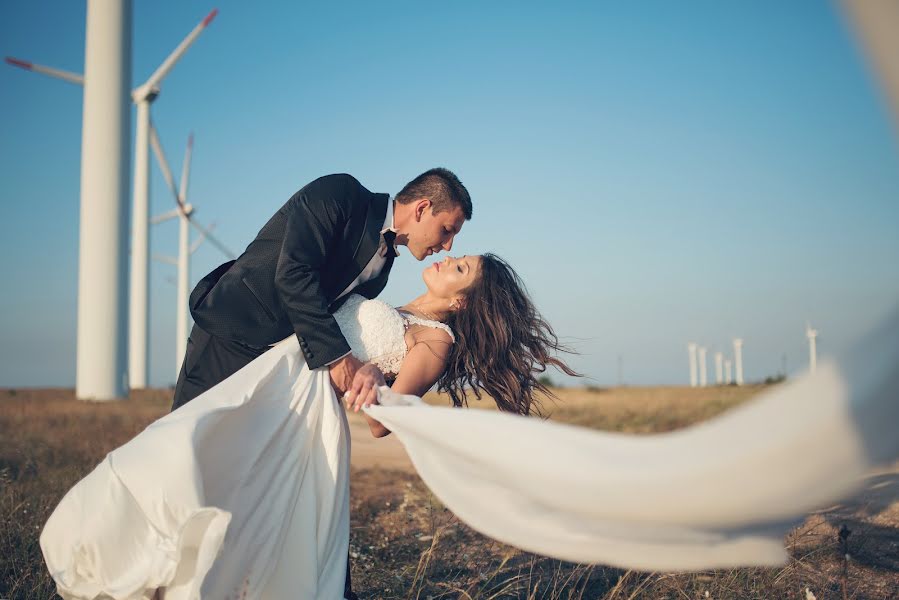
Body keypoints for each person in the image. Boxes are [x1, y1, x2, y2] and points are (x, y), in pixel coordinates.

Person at [40, 253, 577, 599]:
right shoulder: (401, 305)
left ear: (461, 300)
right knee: (186, 459)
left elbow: (383, 422)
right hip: (276, 376)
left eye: (460, 267)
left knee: (220, 485)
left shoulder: (437, 340)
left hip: (301, 406)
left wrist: (366, 381)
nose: (448, 258)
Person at [172, 168, 472, 413]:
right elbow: (293, 273)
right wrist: (338, 358)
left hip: (283, 375)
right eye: (447, 230)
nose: (448, 246)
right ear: (422, 208)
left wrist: (373, 372)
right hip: (231, 334)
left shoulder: (383, 269)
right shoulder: (341, 194)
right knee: (184, 448)